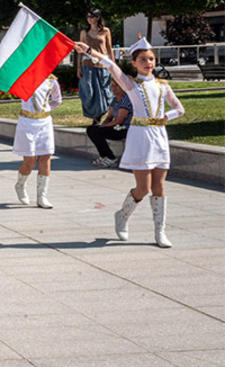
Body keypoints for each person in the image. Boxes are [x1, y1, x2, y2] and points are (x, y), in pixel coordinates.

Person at [77, 37, 185, 247]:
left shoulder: (163, 86)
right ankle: (122, 216)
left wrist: (167, 117)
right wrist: (89, 50)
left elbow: (180, 109)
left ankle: (159, 232)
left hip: (159, 136)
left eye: (151, 59)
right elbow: (110, 64)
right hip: (140, 137)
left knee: (159, 186)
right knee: (143, 188)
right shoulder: (130, 84)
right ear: (134, 63)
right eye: (143, 59)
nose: (148, 63)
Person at [0, 41, 63, 209]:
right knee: (29, 162)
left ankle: (42, 196)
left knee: (46, 157)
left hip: (44, 121)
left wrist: (47, 109)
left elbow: (57, 99)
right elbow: (9, 68)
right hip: (27, 122)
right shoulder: (24, 78)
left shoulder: (51, 81)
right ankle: (20, 184)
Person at [77, 8, 114, 123]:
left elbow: (109, 48)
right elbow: (80, 51)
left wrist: (113, 66)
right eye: (88, 17)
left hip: (102, 65)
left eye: (92, 16)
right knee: (89, 92)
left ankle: (101, 117)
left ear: (97, 18)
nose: (89, 19)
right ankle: (94, 117)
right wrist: (78, 67)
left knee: (104, 92)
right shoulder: (84, 33)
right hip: (87, 66)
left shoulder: (105, 31)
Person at [86, 81, 132, 168]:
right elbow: (109, 117)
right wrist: (101, 126)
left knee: (97, 131)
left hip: (125, 128)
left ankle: (111, 158)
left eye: (117, 86)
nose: (114, 88)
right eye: (113, 85)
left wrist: (103, 127)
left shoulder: (127, 99)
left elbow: (119, 120)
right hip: (117, 127)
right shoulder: (115, 99)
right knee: (92, 129)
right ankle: (104, 156)